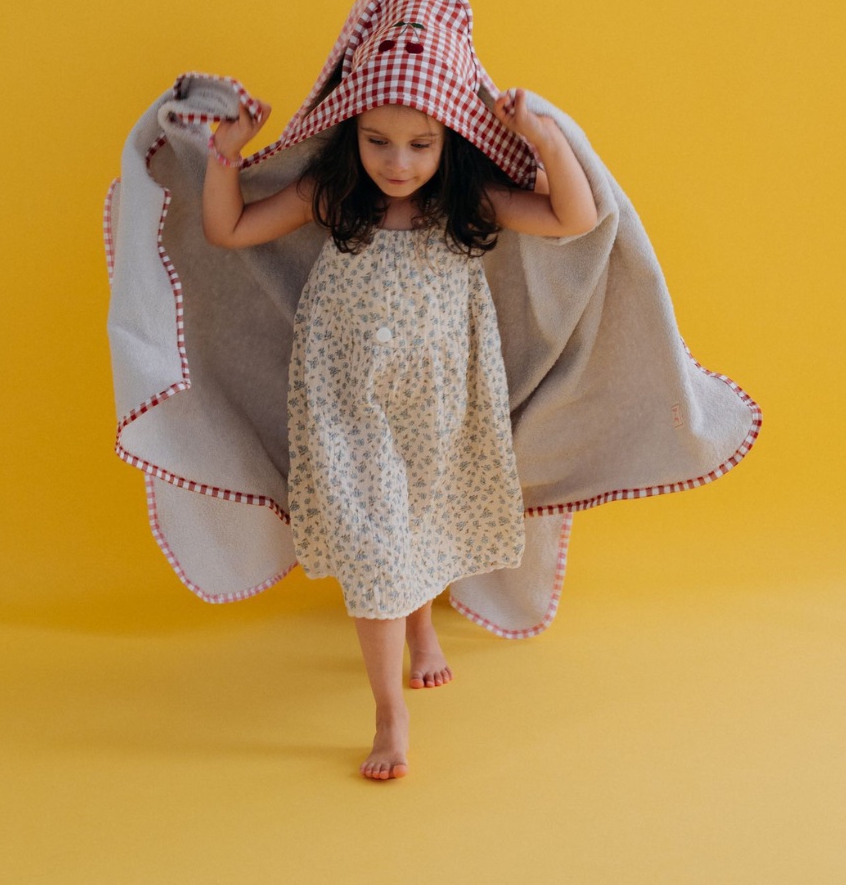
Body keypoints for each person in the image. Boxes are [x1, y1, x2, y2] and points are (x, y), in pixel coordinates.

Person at [201, 87, 597, 780]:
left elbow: (575, 216)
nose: (398, 163)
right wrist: (225, 156)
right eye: (377, 141)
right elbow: (228, 229)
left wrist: (544, 137)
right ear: (351, 132)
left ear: (449, 143)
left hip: (438, 403)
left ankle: (421, 625)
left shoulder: (463, 203)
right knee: (375, 541)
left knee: (417, 518)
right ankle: (389, 713)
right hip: (348, 402)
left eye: (421, 144)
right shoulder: (334, 195)